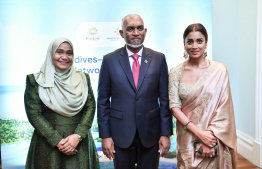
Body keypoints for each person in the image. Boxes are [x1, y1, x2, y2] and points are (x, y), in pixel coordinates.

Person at [97, 14, 173, 169]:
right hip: (120, 134)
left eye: (139, 28)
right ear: (121, 33)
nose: (136, 33)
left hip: (151, 134)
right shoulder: (109, 60)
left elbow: (164, 100)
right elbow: (103, 101)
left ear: (145, 31)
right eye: (130, 29)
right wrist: (105, 135)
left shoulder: (159, 59)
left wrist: (165, 134)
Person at [24, 37, 100, 169]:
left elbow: (90, 107)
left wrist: (78, 135)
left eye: (69, 53)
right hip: (47, 146)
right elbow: (34, 115)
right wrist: (58, 142)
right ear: (51, 54)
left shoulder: (83, 78)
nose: (64, 57)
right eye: (59, 52)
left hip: (79, 143)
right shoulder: (35, 80)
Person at [169, 23, 237, 169]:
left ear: (206, 43)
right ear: (184, 44)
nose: (194, 46)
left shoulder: (219, 70)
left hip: (214, 138)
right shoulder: (175, 72)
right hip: (188, 137)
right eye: (190, 41)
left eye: (199, 41)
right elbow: (174, 106)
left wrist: (210, 138)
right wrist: (200, 134)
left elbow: (224, 108)